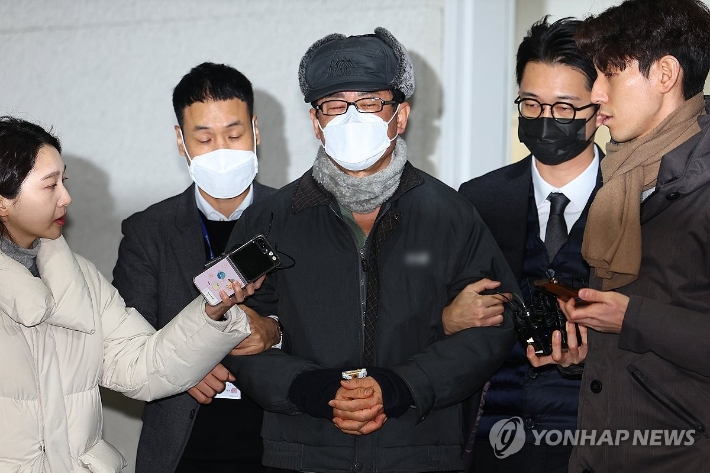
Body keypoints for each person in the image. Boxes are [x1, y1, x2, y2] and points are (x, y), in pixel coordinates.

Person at [220, 27, 518, 473]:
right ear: (316, 122)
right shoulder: (271, 220)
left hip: (418, 451)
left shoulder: (449, 215)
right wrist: (310, 388)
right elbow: (230, 325)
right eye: (335, 105)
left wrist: (402, 386)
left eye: (370, 102)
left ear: (401, 115)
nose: (351, 118)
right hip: (304, 451)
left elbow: (494, 323)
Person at [0, 116, 253, 472]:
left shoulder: (79, 277)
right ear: (3, 201)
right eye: (49, 185)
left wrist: (211, 312)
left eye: (64, 181)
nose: (66, 197)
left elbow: (141, 366)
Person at [534, 0, 710, 471]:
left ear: (665, 74)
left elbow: (644, 319)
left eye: (609, 75)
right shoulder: (624, 176)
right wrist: (587, 349)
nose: (595, 94)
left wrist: (632, 319)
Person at [112, 62, 279, 473]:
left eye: (234, 135)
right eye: (204, 138)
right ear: (180, 141)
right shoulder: (147, 231)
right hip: (182, 451)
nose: (221, 151)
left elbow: (330, 325)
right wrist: (182, 368)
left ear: (255, 130)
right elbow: (127, 339)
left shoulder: (299, 218)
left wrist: (275, 333)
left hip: (282, 446)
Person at [451, 17, 601, 472]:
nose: (545, 119)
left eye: (564, 107)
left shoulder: (637, 202)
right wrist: (449, 317)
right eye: (531, 104)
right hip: (492, 437)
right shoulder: (478, 198)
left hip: (595, 438)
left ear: (600, 107)